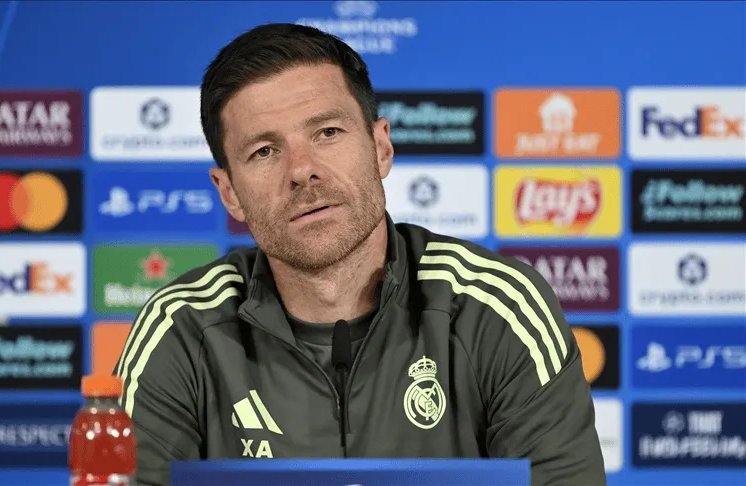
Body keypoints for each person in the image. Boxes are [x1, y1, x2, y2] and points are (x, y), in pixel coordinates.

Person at [113, 22, 606, 486]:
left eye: (327, 132)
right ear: (229, 193)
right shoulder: (180, 330)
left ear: (381, 147)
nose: (302, 170)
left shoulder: (497, 309)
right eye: (264, 151)